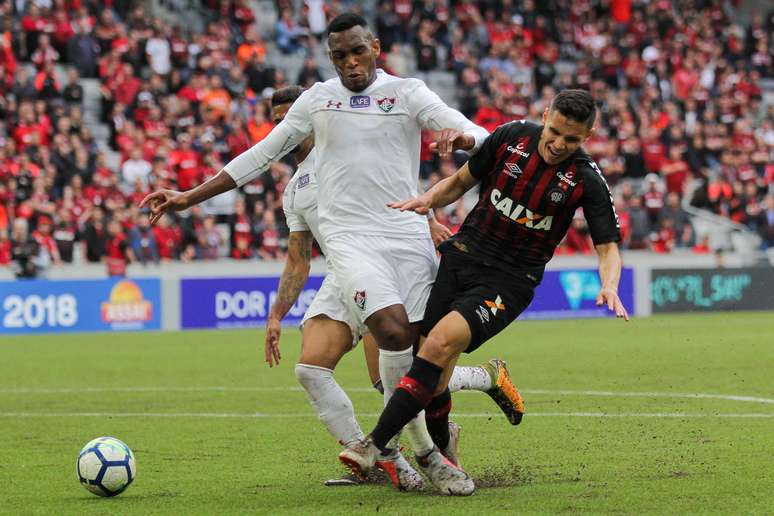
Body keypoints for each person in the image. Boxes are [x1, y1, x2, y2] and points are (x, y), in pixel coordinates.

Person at [141, 13, 489, 495]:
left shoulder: (407, 93)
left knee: (418, 351)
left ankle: (437, 435)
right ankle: (424, 455)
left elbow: (475, 131)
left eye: (357, 52)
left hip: (406, 233)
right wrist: (187, 196)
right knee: (388, 331)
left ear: (375, 46)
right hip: (350, 238)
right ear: (330, 59)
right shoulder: (318, 100)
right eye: (339, 56)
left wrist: (467, 139)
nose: (349, 63)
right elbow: (260, 154)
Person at [339, 89, 630, 495]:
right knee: (433, 378)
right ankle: (446, 450)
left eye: (573, 139)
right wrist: (427, 200)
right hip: (462, 257)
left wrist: (610, 283)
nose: (560, 144)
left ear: (588, 135)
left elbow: (607, 247)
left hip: (508, 282)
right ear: (545, 116)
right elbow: (460, 182)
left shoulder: (584, 178)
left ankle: (375, 444)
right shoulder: (511, 137)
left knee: (437, 345)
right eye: (556, 132)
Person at [263, 86, 520, 489]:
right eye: (277, 122)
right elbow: (298, 257)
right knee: (310, 370)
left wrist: (429, 221)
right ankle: (382, 460)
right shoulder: (295, 190)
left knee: (401, 381)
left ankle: (484, 380)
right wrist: (277, 314)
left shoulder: (347, 148)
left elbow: (394, 186)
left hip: (388, 263)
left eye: (289, 117)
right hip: (343, 273)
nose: (285, 128)